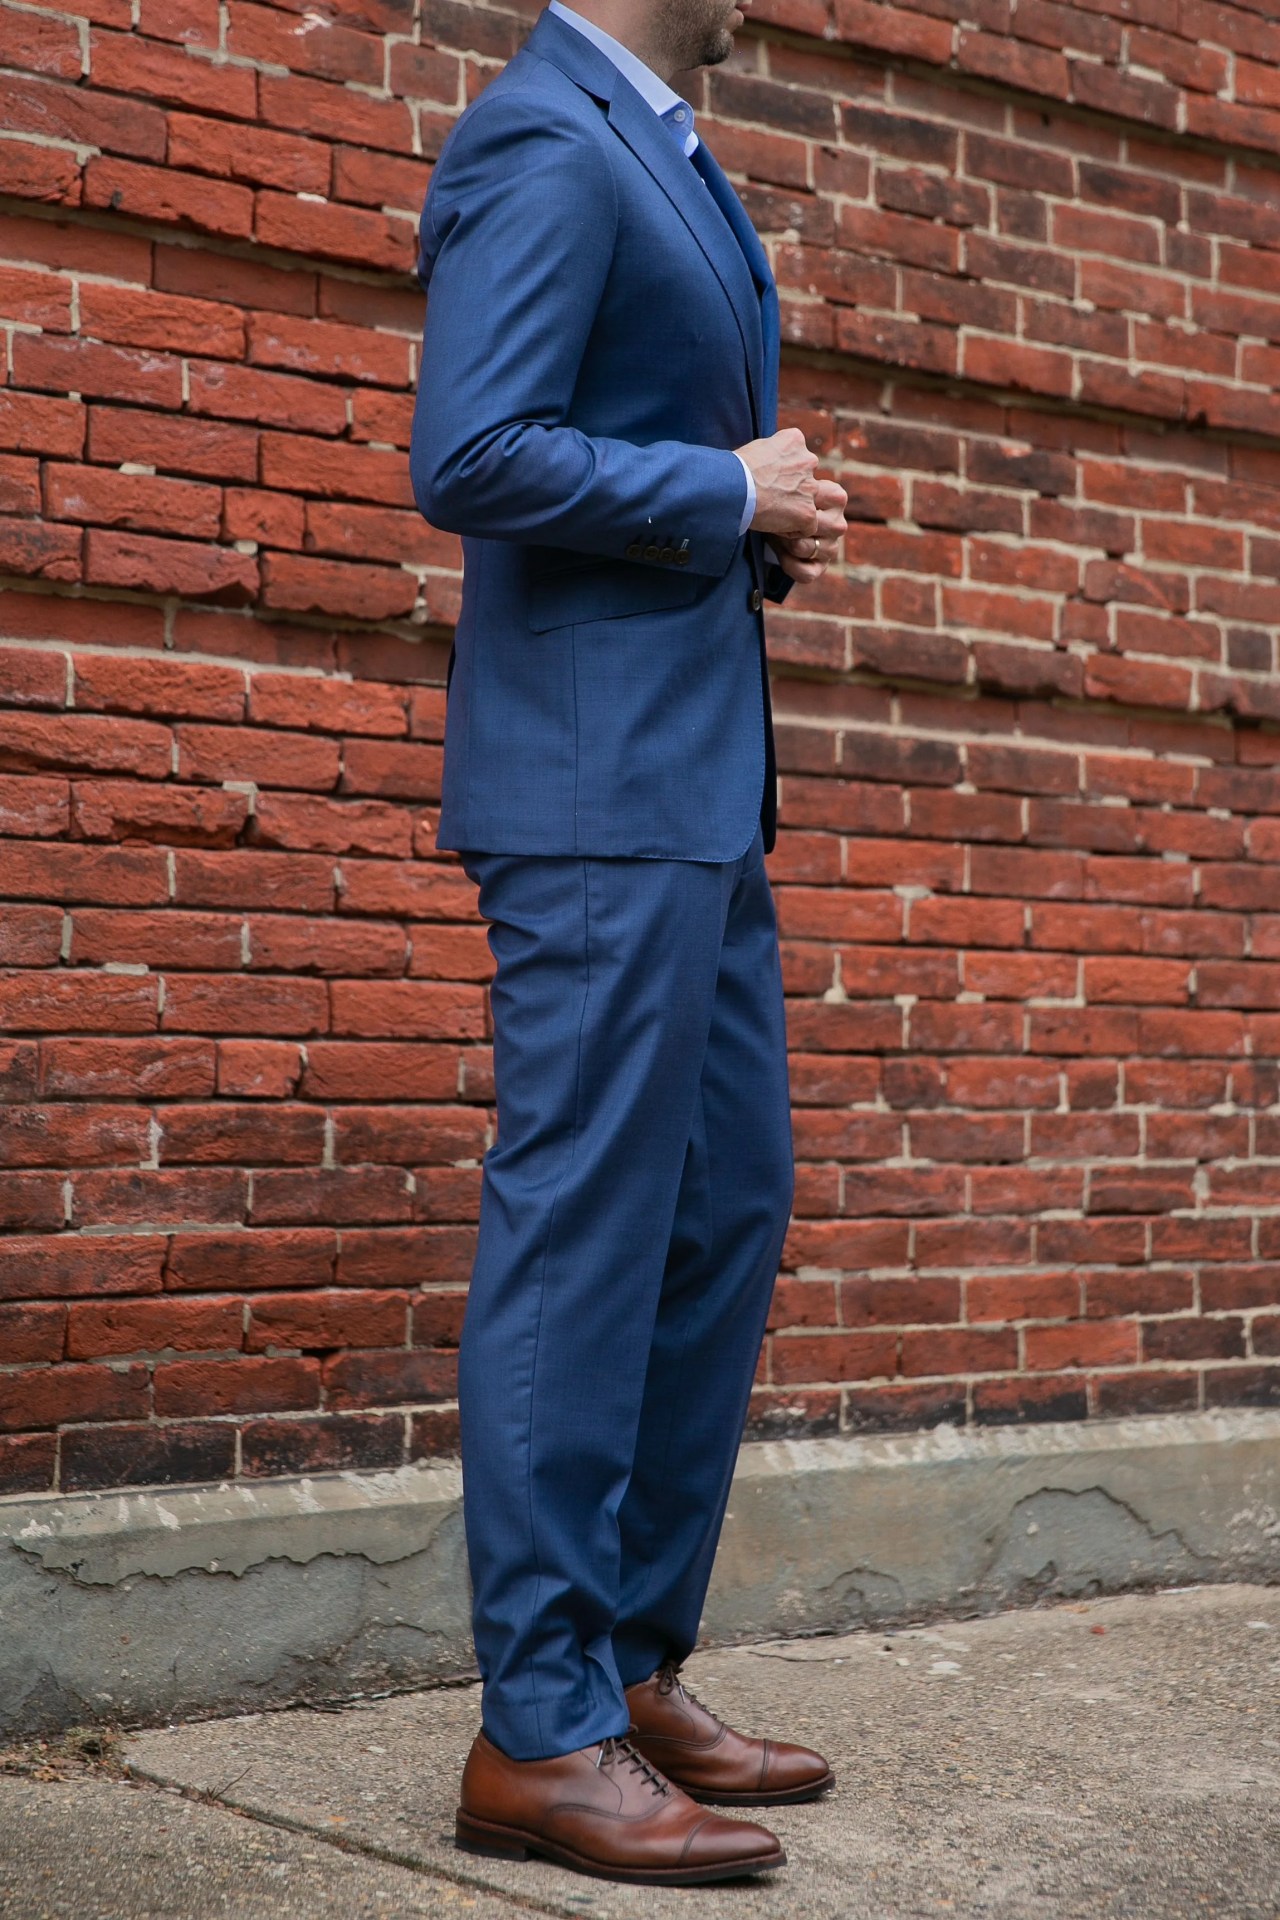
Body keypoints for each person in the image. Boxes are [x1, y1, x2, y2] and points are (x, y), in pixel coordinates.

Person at [410, 0, 848, 1887]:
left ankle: (630, 1660)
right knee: (586, 1223)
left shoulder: (659, 146)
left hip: (693, 794)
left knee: (726, 1202)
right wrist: (721, 491)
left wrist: (743, 517)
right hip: (592, 794)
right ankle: (540, 1729)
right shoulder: (543, 135)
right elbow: (473, 449)